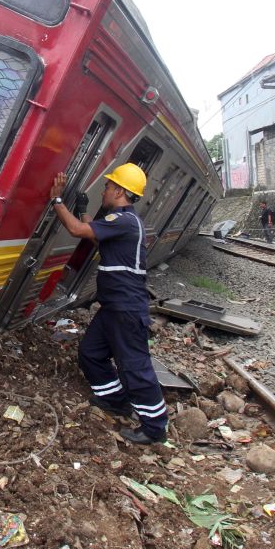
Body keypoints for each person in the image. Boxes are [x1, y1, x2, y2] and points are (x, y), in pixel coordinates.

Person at [49, 163, 167, 445]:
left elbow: (78, 231)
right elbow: (93, 234)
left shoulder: (125, 221)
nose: (104, 189)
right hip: (114, 308)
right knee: (90, 352)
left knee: (134, 366)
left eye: (108, 185)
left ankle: (154, 427)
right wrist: (81, 209)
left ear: (119, 191)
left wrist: (56, 201)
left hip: (126, 310)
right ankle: (115, 400)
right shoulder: (121, 221)